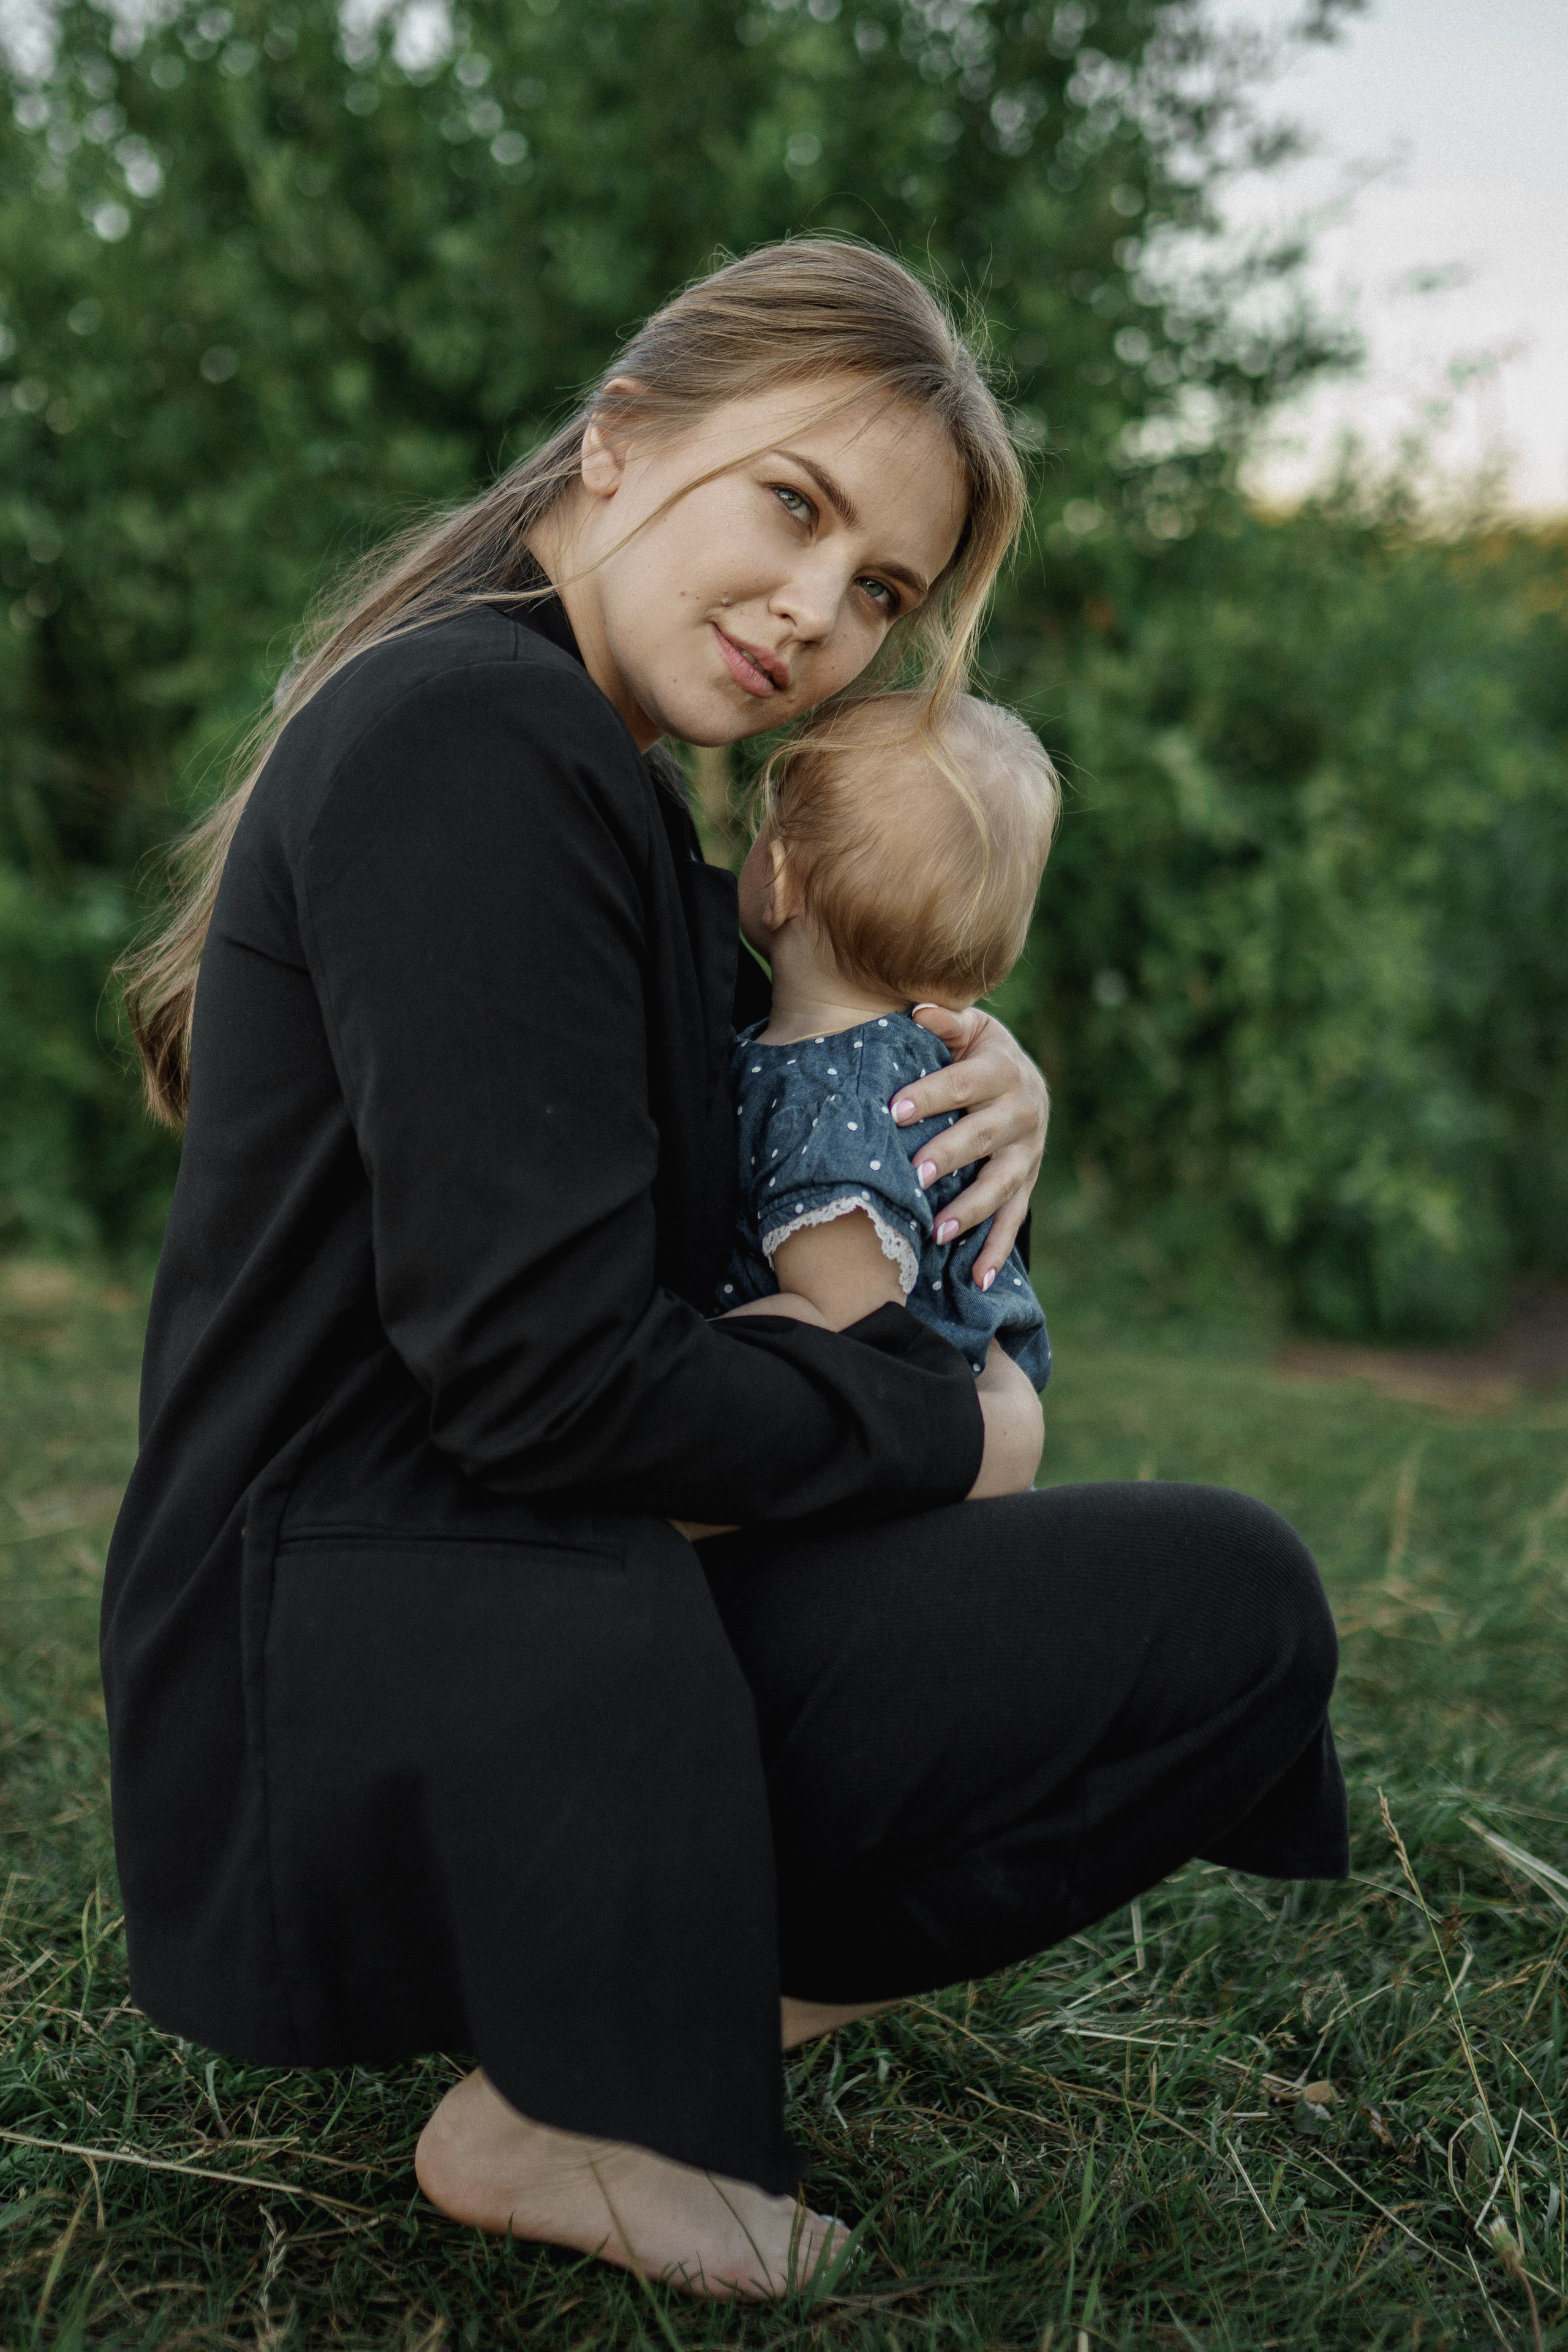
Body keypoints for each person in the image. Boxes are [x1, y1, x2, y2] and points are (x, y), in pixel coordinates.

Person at [106, 238, 1348, 2302]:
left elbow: (714, 1189)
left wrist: (952, 1065)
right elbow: (541, 1376)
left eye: (883, 590)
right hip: (374, 1656)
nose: (818, 610)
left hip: (473, 1604)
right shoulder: (477, 745)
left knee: (1214, 1611)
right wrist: (951, 1420)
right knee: (1224, 1607)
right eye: (797, 503)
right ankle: (580, 2100)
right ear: (619, 443)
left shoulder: (580, 783)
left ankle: (588, 2069)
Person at [715, 693, 1056, 1488]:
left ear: (781, 876)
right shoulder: (910, 1064)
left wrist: (665, 1364)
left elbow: (845, 1331)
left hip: (904, 1490)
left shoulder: (833, 1091)